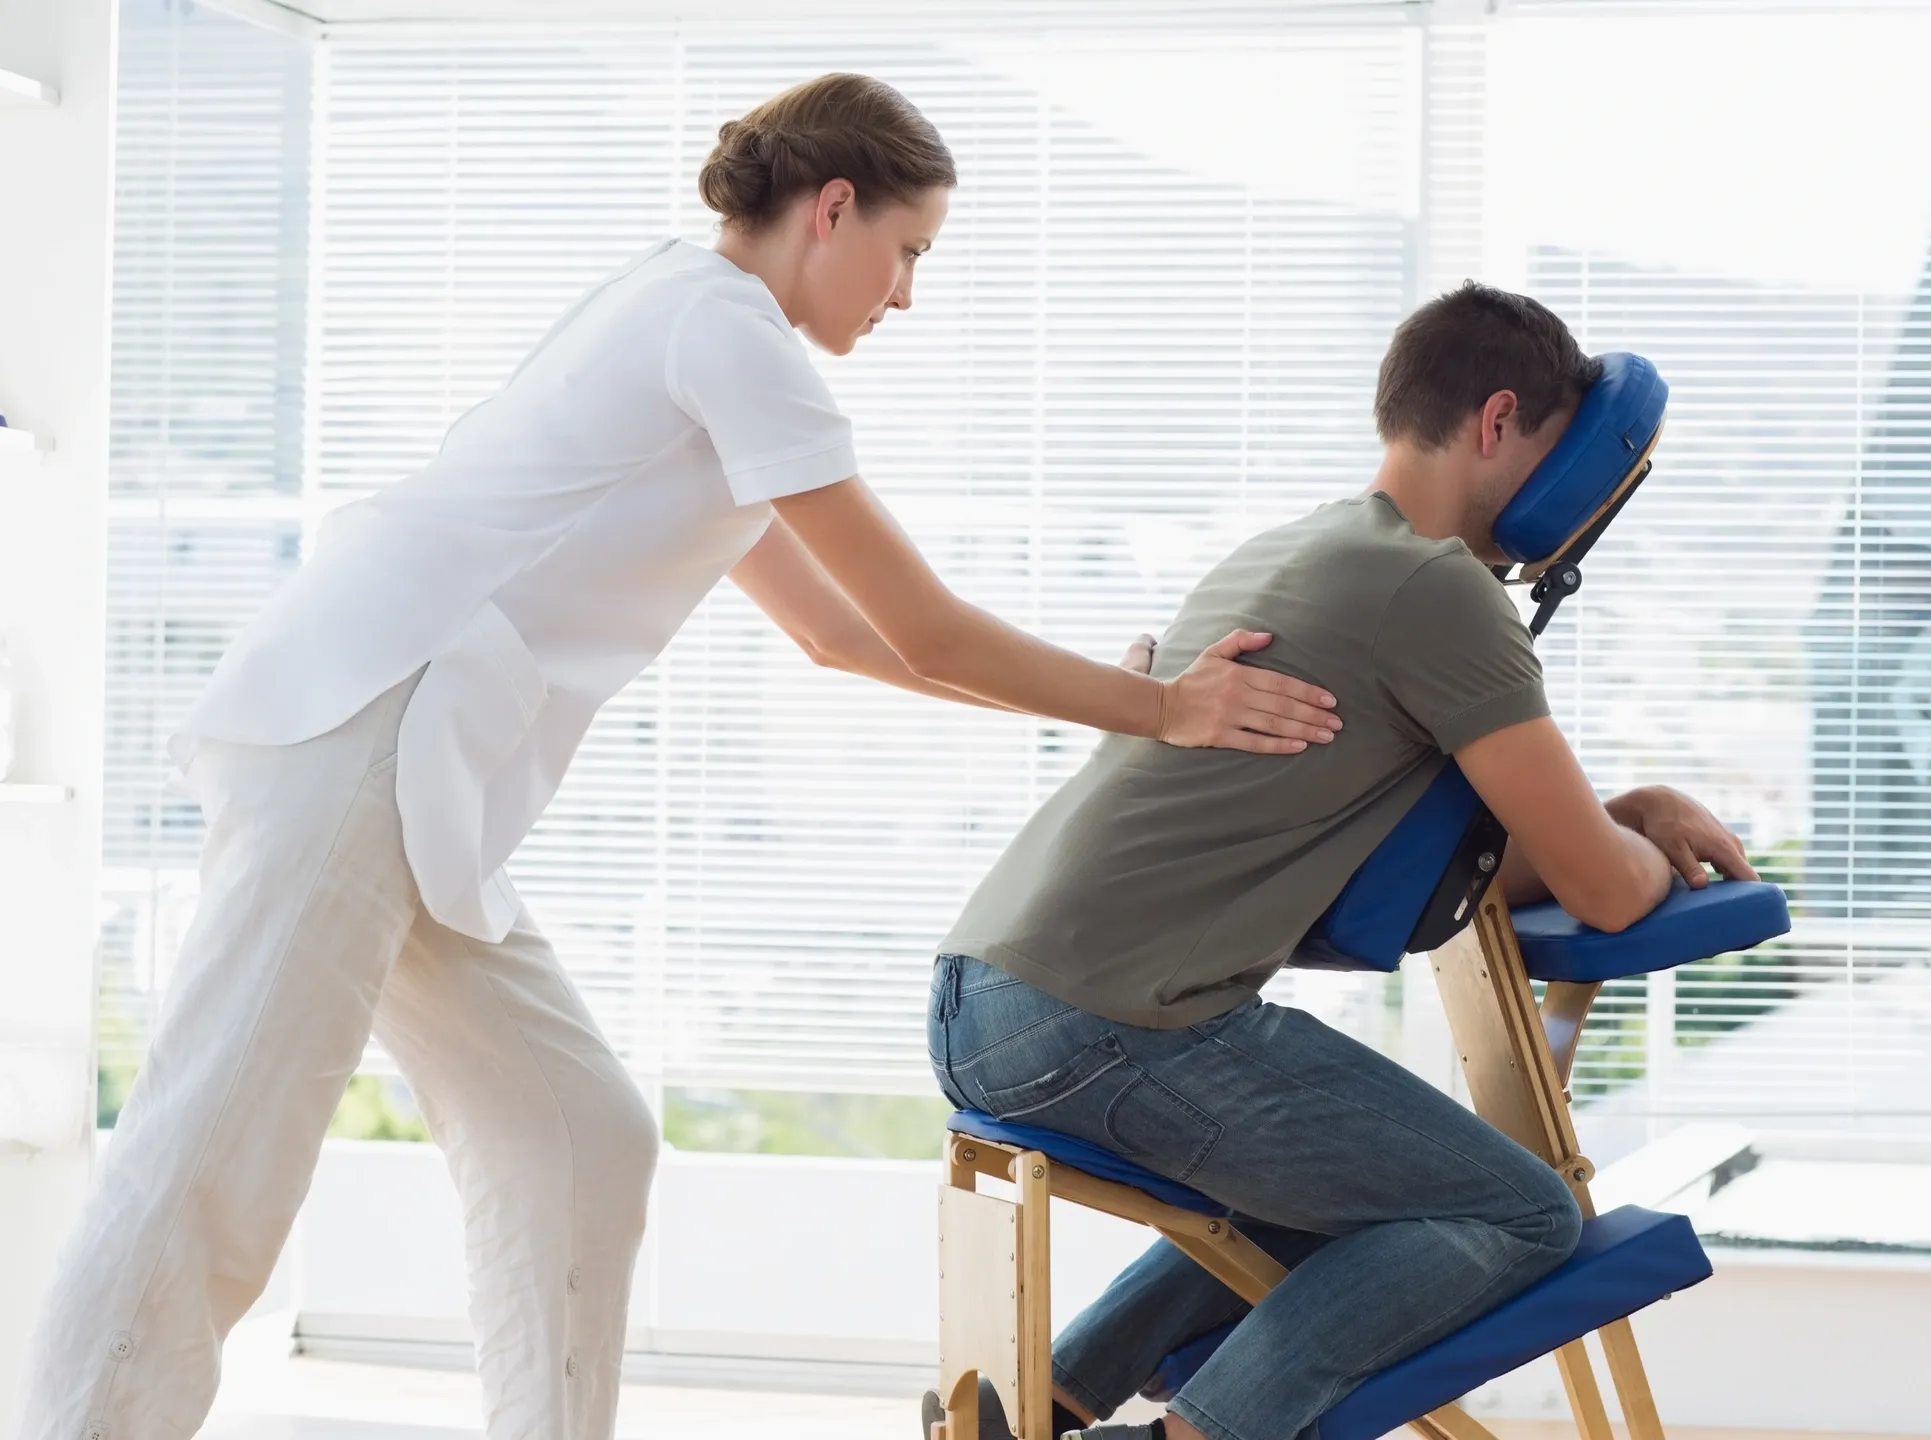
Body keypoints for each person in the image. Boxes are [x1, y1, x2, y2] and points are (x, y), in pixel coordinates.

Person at [17, 74, 1345, 1440]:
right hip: (361, 725)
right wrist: (1164, 714)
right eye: (905, 254)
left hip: (423, 771)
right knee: (212, 1157)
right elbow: (922, 626)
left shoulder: (692, 323)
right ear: (831, 210)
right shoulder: (723, 330)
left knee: (576, 1134)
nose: (902, 300)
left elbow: (841, 635)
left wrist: (1103, 701)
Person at [922, 283, 1760, 1440]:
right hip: (1109, 1021)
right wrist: (1653, 824)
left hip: (990, 996)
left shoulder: (1300, 545)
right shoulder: (1440, 588)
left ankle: (1034, 1408)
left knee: (1389, 1180)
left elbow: (1429, 855)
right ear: (1499, 421)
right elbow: (1605, 888)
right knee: (1519, 1214)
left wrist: (1620, 808)